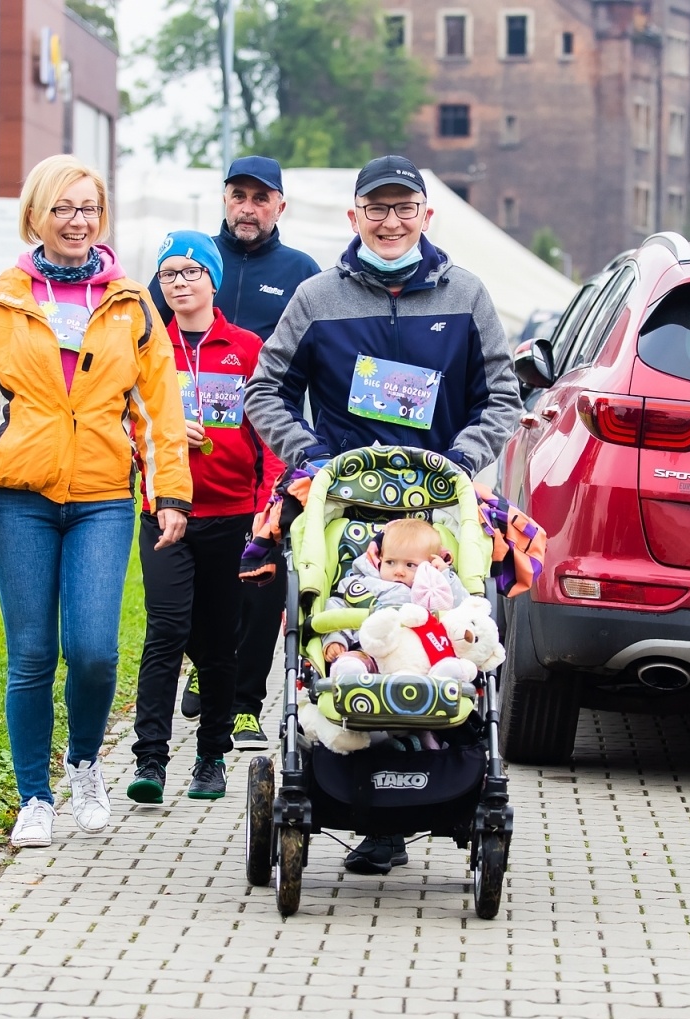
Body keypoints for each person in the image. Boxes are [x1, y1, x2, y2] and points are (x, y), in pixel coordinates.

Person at [243, 154, 520, 875]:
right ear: (353, 217)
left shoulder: (466, 294)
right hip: (343, 509)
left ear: (427, 217)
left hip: (437, 511)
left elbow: (503, 396)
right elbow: (264, 390)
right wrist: (308, 457)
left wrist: (462, 457)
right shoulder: (316, 297)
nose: (390, 222)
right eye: (376, 209)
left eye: (404, 209)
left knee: (438, 637)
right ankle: (357, 792)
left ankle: (431, 792)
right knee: (347, 632)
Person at [0, 155, 192, 849]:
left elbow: (158, 411)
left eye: (88, 209)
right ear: (36, 215)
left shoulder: (130, 305)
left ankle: (82, 766)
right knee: (33, 653)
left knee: (95, 650)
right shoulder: (1, 300)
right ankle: (33, 797)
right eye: (64, 208)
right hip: (19, 501)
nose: (78, 222)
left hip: (103, 498)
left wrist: (169, 493)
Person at [149, 156, 318, 751]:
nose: (247, 207)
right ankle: (211, 665)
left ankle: (246, 702)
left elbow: (314, 351)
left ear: (279, 205)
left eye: (260, 197)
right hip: (186, 461)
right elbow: (145, 349)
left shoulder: (300, 271)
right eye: (237, 195)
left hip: (267, 440)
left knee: (262, 577)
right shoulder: (186, 261)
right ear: (225, 199)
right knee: (197, 597)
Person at [126, 231, 277, 806]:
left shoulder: (247, 348)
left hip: (233, 514)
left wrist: (267, 508)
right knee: (165, 632)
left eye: (192, 272)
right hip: (164, 512)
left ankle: (210, 756)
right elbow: (123, 426)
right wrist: (157, 436)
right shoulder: (147, 347)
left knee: (217, 644)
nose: (180, 283)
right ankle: (149, 761)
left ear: (213, 279)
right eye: (169, 274)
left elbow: (268, 436)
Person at [321, 518, 470, 673]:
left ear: (430, 564)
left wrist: (444, 575)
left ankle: (446, 675)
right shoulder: (363, 583)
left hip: (424, 656)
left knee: (445, 663)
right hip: (372, 650)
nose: (398, 571)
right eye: (390, 562)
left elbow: (465, 609)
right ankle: (351, 673)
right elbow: (336, 608)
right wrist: (335, 639)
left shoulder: (434, 591)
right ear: (379, 557)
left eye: (410, 565)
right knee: (354, 659)